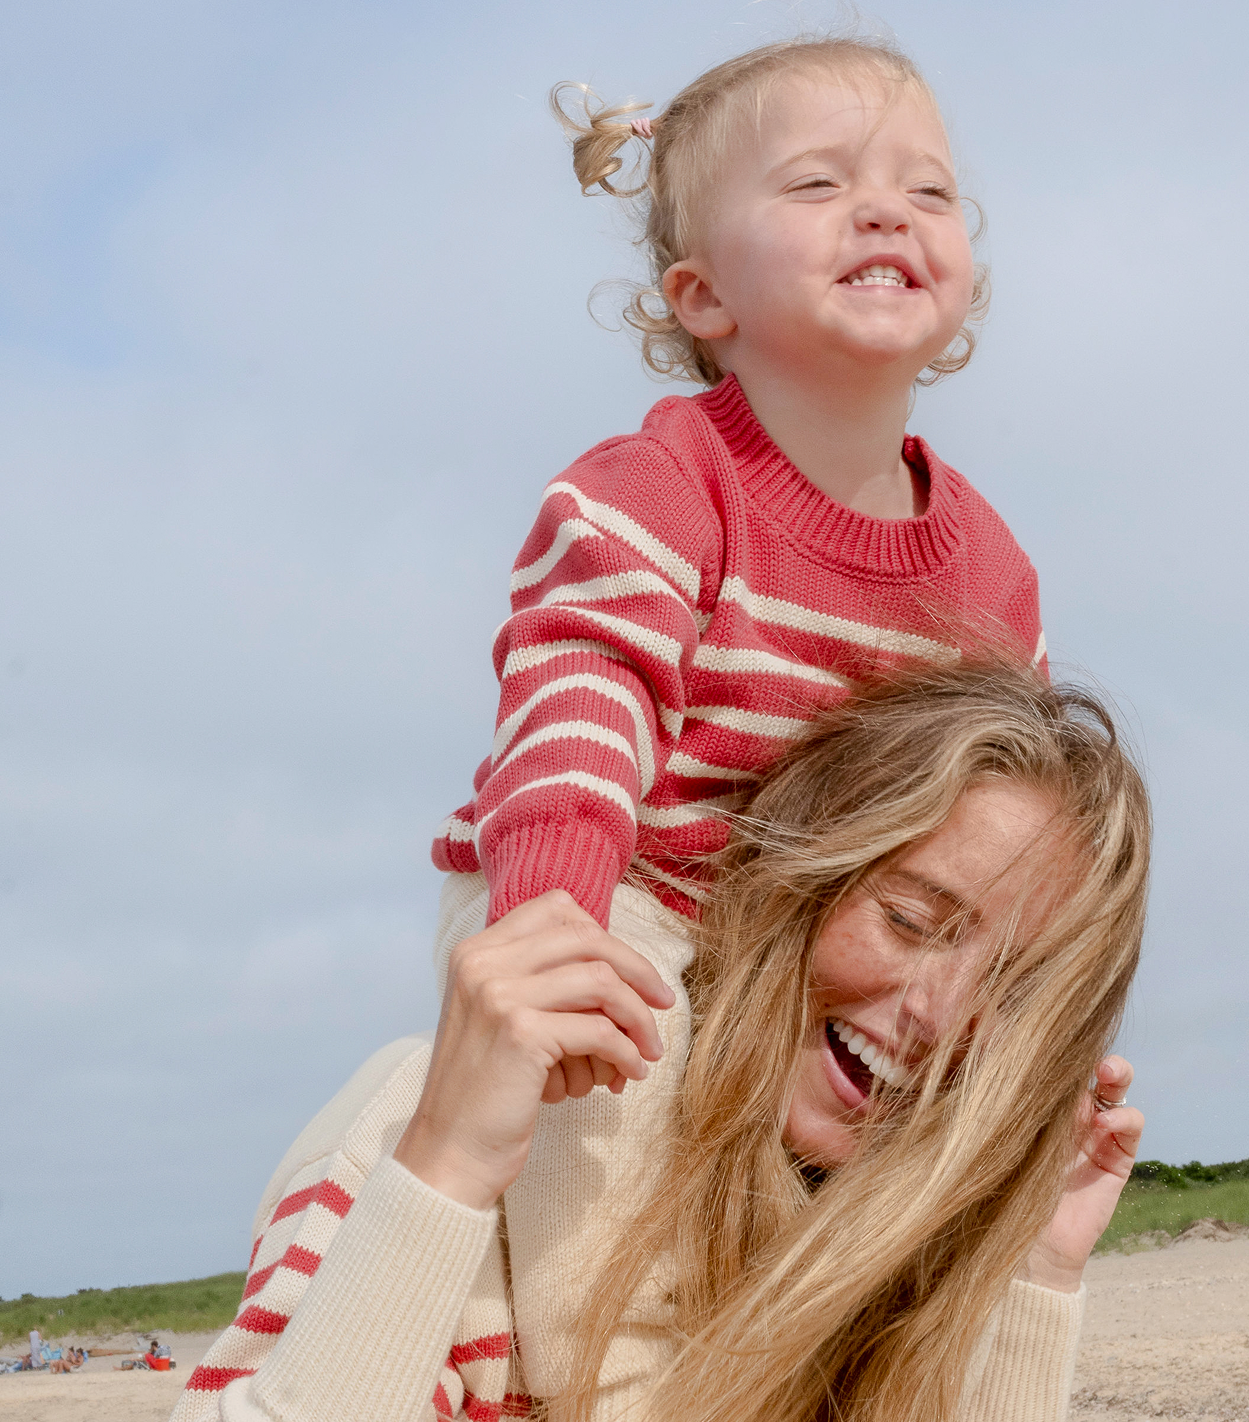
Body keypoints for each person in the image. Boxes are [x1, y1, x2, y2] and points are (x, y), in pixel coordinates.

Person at [428, 32, 1055, 1393]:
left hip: (815, 940)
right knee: (620, 1199)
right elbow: (578, 701)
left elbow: (1013, 809)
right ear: (701, 295)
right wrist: (554, 916)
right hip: (629, 884)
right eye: (819, 184)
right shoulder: (664, 484)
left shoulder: (993, 569)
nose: (884, 209)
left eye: (927, 191)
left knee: (927, 1181)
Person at [174, 658, 1150, 1422]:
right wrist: (449, 1165)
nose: (939, 1021)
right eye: (907, 921)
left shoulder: (876, 1265)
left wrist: (1030, 1278)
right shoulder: (426, 1144)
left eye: (1018, 993)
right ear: (790, 893)